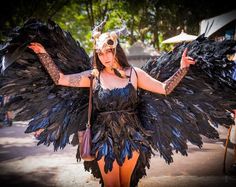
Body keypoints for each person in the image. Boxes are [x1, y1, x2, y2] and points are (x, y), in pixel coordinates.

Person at [27, 23, 195, 186]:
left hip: (131, 138)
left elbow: (164, 88)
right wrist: (43, 54)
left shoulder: (134, 74)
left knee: (125, 183)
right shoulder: (93, 77)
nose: (105, 57)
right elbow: (60, 79)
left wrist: (182, 69)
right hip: (103, 139)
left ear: (116, 50)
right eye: (100, 53)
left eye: (108, 51)